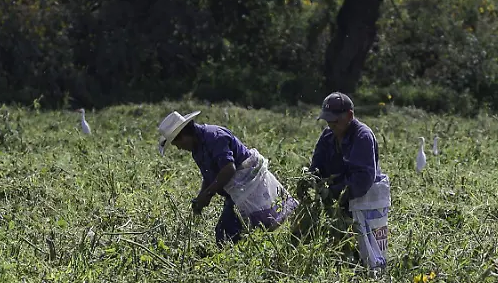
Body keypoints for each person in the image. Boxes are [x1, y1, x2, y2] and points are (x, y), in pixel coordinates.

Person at [158, 110, 297, 245]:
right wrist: (201, 198)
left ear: (183, 135)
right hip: (235, 190)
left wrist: (207, 194)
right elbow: (209, 176)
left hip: (247, 184)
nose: (179, 149)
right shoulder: (197, 149)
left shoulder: (214, 137)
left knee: (227, 233)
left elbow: (228, 169)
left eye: (178, 144)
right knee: (242, 229)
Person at [306, 92, 391, 271]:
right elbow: (317, 165)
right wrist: (310, 178)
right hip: (337, 203)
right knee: (337, 247)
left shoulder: (362, 137)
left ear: (349, 116)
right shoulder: (328, 136)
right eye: (328, 121)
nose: (331, 125)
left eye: (335, 120)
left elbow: (362, 179)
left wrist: (334, 192)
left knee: (363, 252)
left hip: (360, 201)